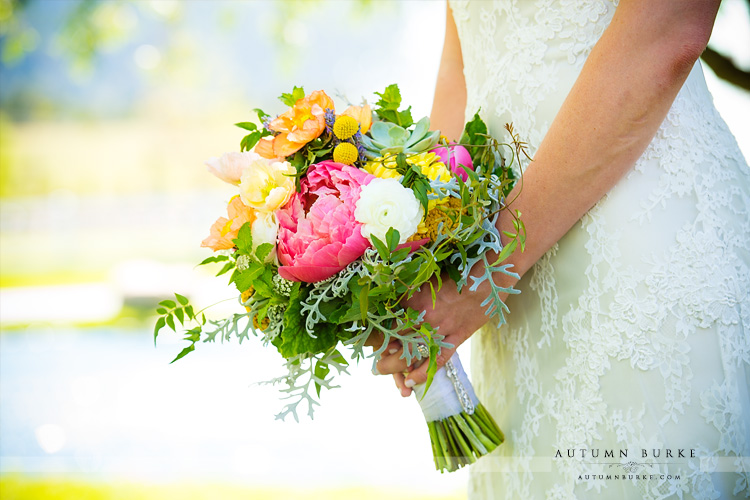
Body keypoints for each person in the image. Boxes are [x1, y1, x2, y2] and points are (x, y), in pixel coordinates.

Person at [375, 0, 750, 498]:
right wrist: (428, 257)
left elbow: (668, 33)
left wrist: (482, 277)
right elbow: (460, 63)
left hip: (637, 242)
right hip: (506, 294)